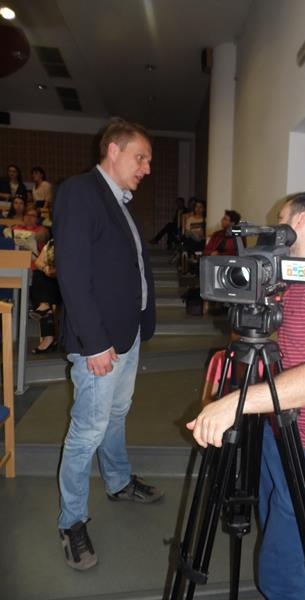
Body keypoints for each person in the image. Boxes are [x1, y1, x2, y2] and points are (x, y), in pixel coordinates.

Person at [186, 191, 305, 599]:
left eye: (282, 218)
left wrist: (235, 403)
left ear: (300, 222)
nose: (274, 228)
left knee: (280, 573)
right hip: (284, 432)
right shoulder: (291, 280)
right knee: (273, 521)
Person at [53, 119, 163, 572]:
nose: (147, 168)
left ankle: (117, 481)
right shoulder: (80, 192)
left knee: (116, 415)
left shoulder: (119, 202)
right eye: (141, 157)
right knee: (87, 431)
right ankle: (71, 522)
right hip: (99, 342)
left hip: (126, 334)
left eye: (149, 160)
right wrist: (95, 344)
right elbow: (73, 272)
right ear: (113, 151)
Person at [29, 239, 61, 354]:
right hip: (54, 285)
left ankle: (48, 338)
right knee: (39, 273)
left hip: (70, 284)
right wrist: (45, 268)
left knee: (43, 290)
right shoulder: (52, 243)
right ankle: (44, 306)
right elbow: (38, 262)